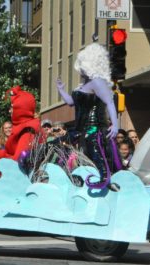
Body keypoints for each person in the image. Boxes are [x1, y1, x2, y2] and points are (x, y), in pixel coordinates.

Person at [56, 42, 122, 189]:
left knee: (94, 149)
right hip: (80, 129)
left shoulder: (97, 82)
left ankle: (104, 177)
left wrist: (115, 125)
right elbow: (72, 102)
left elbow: (110, 103)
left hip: (94, 128)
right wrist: (61, 90)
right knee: (59, 145)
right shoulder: (83, 85)